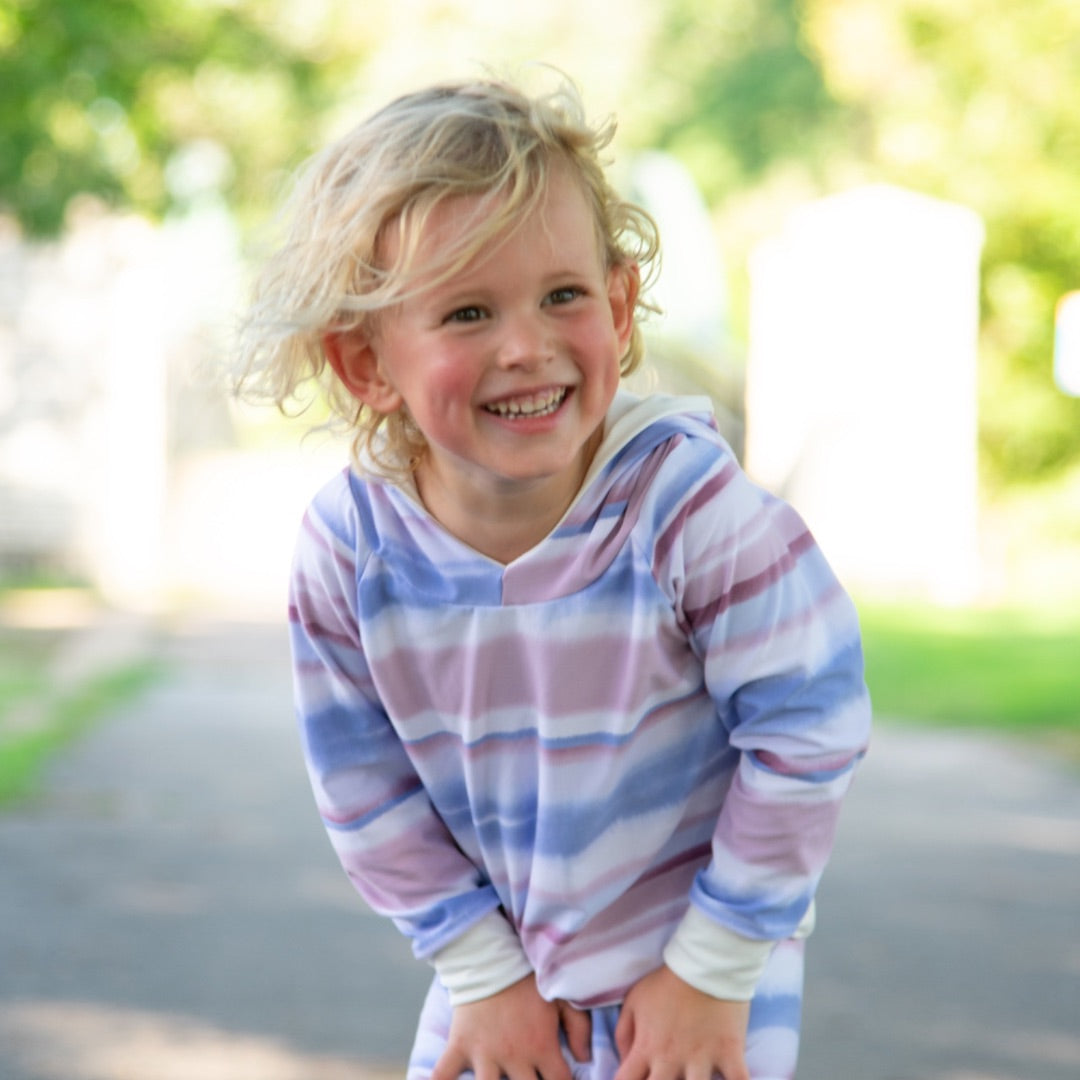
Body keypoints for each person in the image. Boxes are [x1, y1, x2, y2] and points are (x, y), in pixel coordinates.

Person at [237, 73, 871, 1080]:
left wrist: (713, 968)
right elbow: (365, 793)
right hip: (499, 979)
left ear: (619, 308)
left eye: (563, 295)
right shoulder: (352, 551)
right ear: (365, 365)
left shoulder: (686, 508)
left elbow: (811, 723)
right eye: (467, 312)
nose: (526, 349)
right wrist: (483, 976)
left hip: (705, 974)